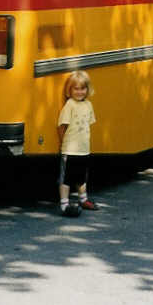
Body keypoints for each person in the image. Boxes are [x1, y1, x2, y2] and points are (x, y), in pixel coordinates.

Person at [57, 70, 99, 217]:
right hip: (70, 150)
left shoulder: (88, 105)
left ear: (87, 89)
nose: (80, 92)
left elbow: (88, 125)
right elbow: (62, 126)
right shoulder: (70, 105)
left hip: (84, 149)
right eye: (76, 89)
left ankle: (83, 199)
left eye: (83, 88)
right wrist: (64, 145)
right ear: (70, 90)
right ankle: (64, 204)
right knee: (66, 178)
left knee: (81, 177)